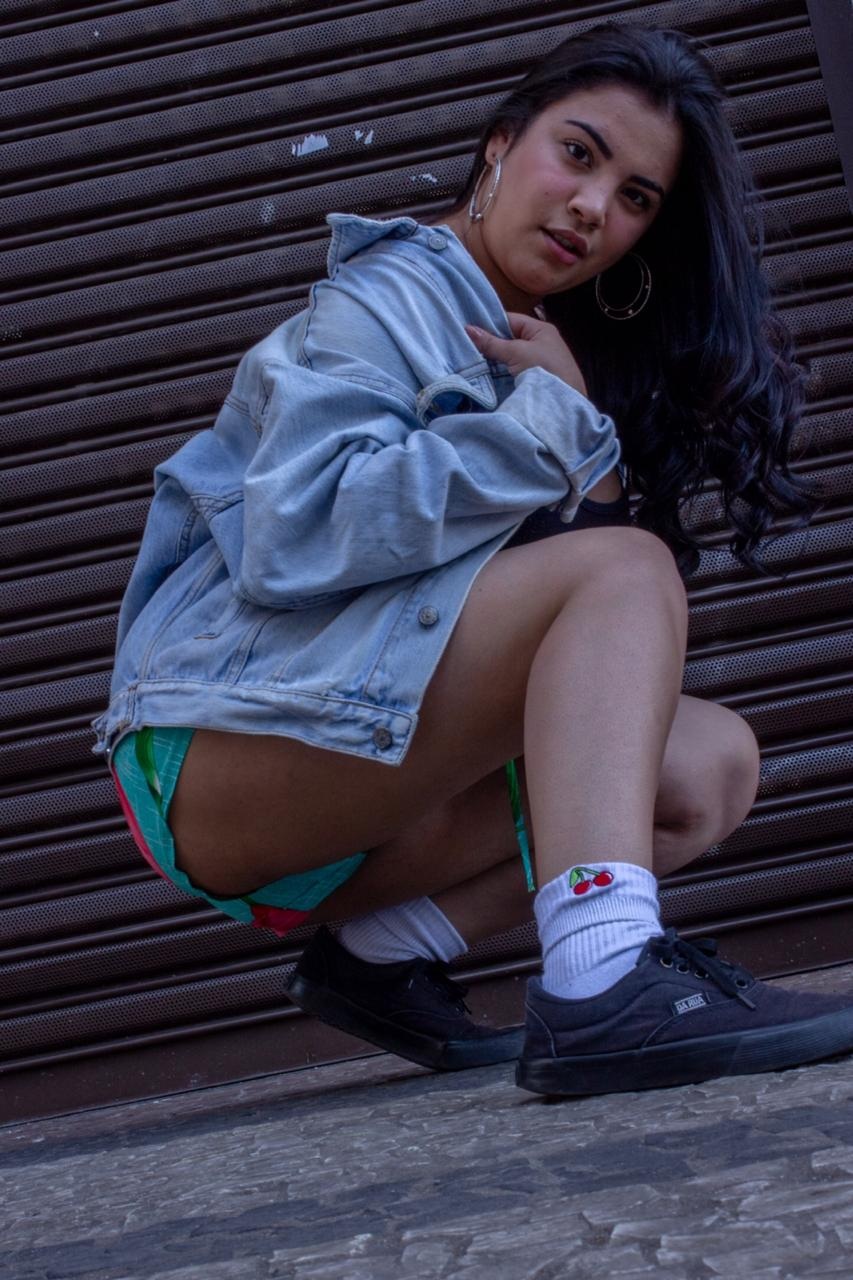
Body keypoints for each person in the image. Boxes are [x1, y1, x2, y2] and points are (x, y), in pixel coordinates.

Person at [93, 23, 853, 1095]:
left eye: (634, 197)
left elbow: (561, 639)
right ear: (500, 144)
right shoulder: (382, 302)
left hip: (361, 784)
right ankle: (603, 978)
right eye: (577, 154)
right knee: (624, 567)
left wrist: (571, 422)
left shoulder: (548, 348)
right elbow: (297, 532)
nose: (592, 207)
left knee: (706, 765)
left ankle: (379, 957)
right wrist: (546, 427)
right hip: (219, 754)